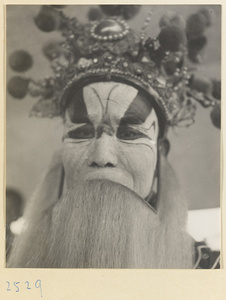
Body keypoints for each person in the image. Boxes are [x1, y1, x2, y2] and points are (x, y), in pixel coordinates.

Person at [7, 5, 220, 269]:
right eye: (81, 133)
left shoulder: (208, 271)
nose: (102, 156)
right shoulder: (13, 267)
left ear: (160, 153)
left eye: (130, 133)